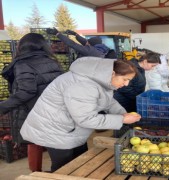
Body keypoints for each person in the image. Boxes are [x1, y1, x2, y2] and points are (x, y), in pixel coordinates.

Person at [20, 57, 141, 172]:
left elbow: (108, 101)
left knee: (80, 163)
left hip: (70, 128)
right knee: (64, 169)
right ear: (113, 73)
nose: (126, 84)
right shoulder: (83, 85)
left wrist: (123, 114)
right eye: (125, 79)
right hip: (55, 131)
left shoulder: (101, 80)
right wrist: (121, 120)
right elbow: (86, 119)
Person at [0, 33, 64, 172]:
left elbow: (26, 92)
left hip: (34, 111)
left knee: (35, 142)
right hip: (54, 111)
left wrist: (2, 107)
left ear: (21, 47)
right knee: (56, 147)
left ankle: (36, 174)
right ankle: (55, 172)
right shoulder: (51, 61)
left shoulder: (23, 63)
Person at [46, 28, 115, 59]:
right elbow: (85, 42)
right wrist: (75, 34)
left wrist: (57, 34)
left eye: (88, 42)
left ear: (91, 44)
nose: (86, 42)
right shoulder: (101, 48)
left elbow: (72, 44)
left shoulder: (91, 51)